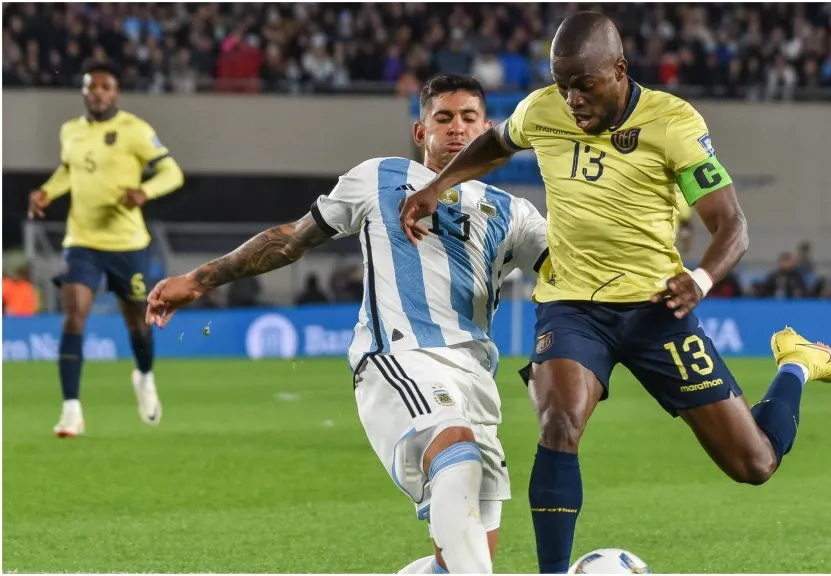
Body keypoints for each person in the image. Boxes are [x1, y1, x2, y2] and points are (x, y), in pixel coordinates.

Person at [399, 12, 831, 574]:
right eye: (563, 86)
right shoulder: (544, 109)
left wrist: (701, 278)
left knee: (753, 463)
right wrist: (438, 186)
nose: (573, 100)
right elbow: (493, 143)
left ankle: (798, 364)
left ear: (619, 70)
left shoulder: (673, 123)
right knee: (559, 421)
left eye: (584, 86)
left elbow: (731, 225)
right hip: (571, 305)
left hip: (658, 310)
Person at [144, 74, 548, 575]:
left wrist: (671, 279)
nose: (457, 129)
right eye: (443, 118)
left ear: (488, 129)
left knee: (463, 557)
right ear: (420, 132)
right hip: (402, 359)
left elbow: (579, 273)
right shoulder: (379, 177)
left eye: (469, 118)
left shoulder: (514, 213)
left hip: (476, 380)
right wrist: (202, 279)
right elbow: (291, 239)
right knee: (456, 457)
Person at [28, 60, 185, 438]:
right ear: (83, 92)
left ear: (115, 93)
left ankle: (144, 377)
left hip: (127, 244)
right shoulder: (71, 131)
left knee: (137, 323)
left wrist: (144, 192)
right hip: (81, 241)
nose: (97, 92)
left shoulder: (135, 130)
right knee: (73, 317)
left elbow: (172, 173)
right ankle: (71, 411)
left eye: (105, 87)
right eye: (91, 86)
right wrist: (47, 191)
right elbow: (69, 169)